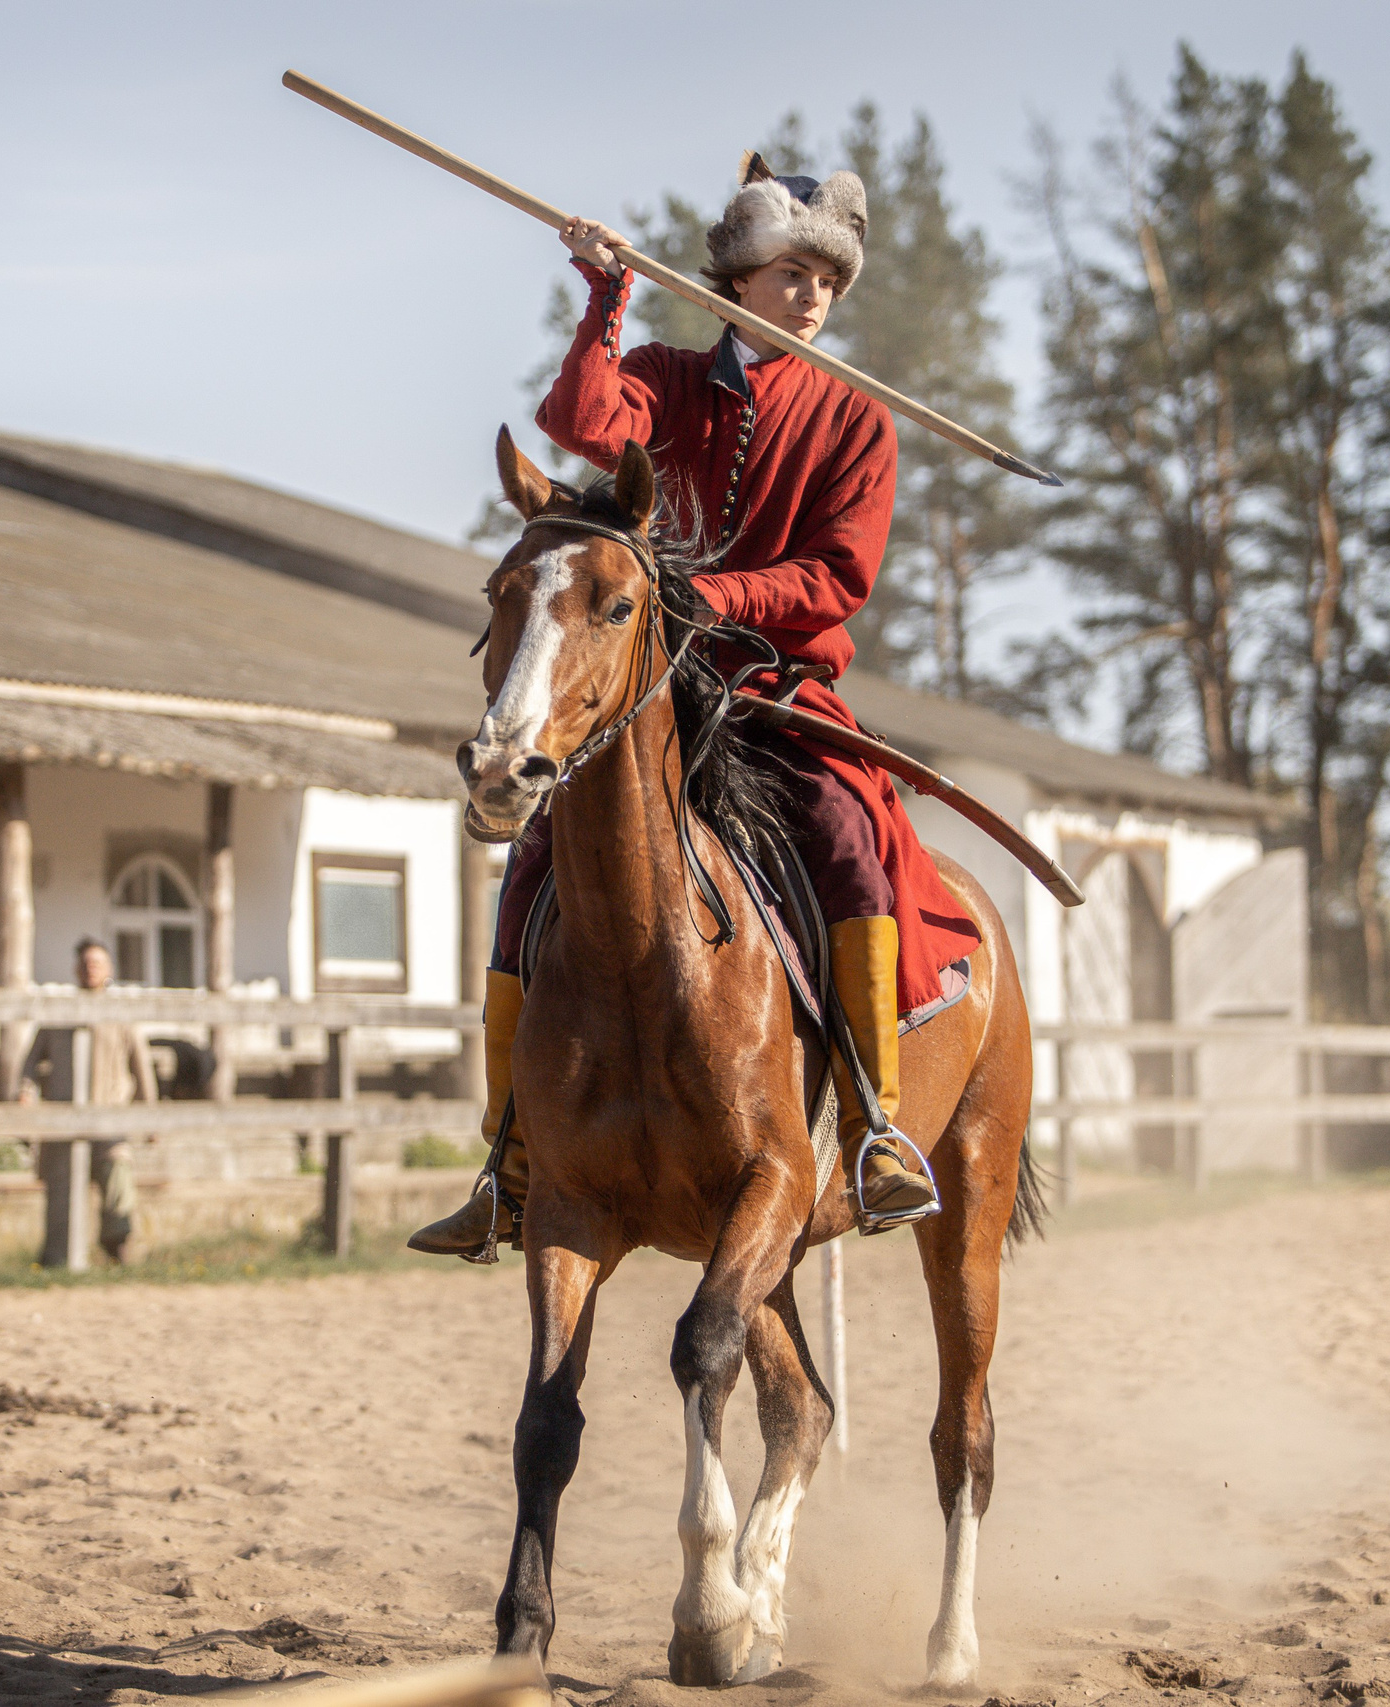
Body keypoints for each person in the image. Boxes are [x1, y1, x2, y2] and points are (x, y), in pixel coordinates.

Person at [411, 154, 982, 1260]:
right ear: (738, 275)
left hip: (776, 686)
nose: (813, 293)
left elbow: (834, 581)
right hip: (638, 690)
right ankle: (510, 1160)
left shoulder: (861, 421)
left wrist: (703, 596)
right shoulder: (669, 379)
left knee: (850, 840)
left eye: (829, 278)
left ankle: (872, 1133)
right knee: (539, 866)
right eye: (791, 270)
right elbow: (579, 416)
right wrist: (605, 293)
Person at [73, 936, 154, 1263]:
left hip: (111, 1118)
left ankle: (118, 1249)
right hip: (70, 1122)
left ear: (109, 969)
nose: (90, 969)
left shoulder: (122, 1016)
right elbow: (32, 1059)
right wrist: (24, 1090)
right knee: (66, 1189)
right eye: (85, 963)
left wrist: (151, 1116)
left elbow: (142, 1068)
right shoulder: (61, 1013)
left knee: (118, 1182)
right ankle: (63, 1257)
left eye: (97, 963)